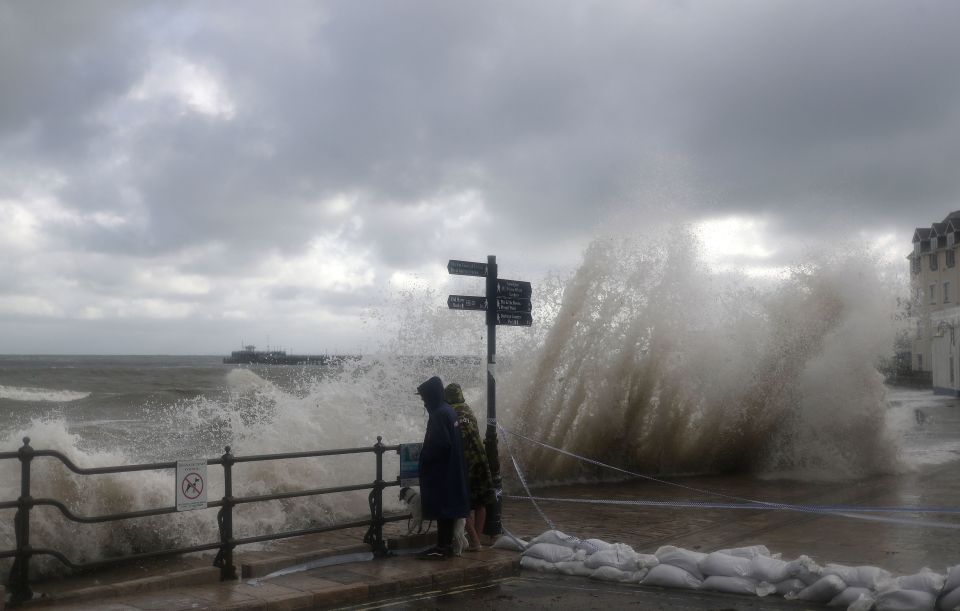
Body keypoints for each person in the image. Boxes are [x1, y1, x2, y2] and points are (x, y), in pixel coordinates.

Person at [416, 375, 470, 559]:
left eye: (424, 398)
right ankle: (444, 545)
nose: (423, 402)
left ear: (431, 396)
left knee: (443, 508)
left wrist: (424, 458)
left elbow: (439, 444)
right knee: (447, 509)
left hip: (442, 472)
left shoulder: (439, 414)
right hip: (452, 469)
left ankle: (442, 547)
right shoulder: (448, 410)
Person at [444, 382, 495, 550]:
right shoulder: (468, 409)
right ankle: (477, 540)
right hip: (481, 460)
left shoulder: (451, 413)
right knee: (480, 503)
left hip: (465, 463)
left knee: (461, 503)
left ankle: (474, 540)